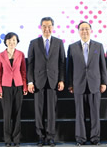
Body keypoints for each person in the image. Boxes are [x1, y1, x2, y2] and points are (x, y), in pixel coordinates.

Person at [66, 21, 107, 146]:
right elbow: (70, 67)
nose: (84, 31)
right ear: (78, 31)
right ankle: (80, 139)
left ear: (91, 30)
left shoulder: (98, 46)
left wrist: (104, 82)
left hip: (95, 84)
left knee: (95, 113)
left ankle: (95, 138)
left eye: (87, 29)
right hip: (78, 84)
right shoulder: (72, 47)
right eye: (82, 29)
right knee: (80, 114)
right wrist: (70, 84)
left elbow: (102, 66)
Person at [27, 17, 66, 147]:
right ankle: (40, 136)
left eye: (49, 26)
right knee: (39, 111)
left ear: (53, 27)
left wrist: (61, 79)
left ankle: (50, 137)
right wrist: (30, 81)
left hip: (54, 81)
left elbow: (62, 63)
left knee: (51, 111)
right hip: (38, 81)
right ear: (40, 27)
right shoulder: (33, 43)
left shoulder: (59, 42)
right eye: (44, 26)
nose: (47, 29)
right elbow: (30, 63)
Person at [0, 32, 28, 147]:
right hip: (5, 87)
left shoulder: (21, 54)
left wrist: (24, 86)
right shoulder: (0, 55)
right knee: (7, 114)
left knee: (17, 114)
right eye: (9, 40)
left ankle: (16, 139)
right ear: (6, 42)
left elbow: (23, 72)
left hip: (18, 86)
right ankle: (7, 140)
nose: (11, 42)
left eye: (14, 40)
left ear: (17, 41)